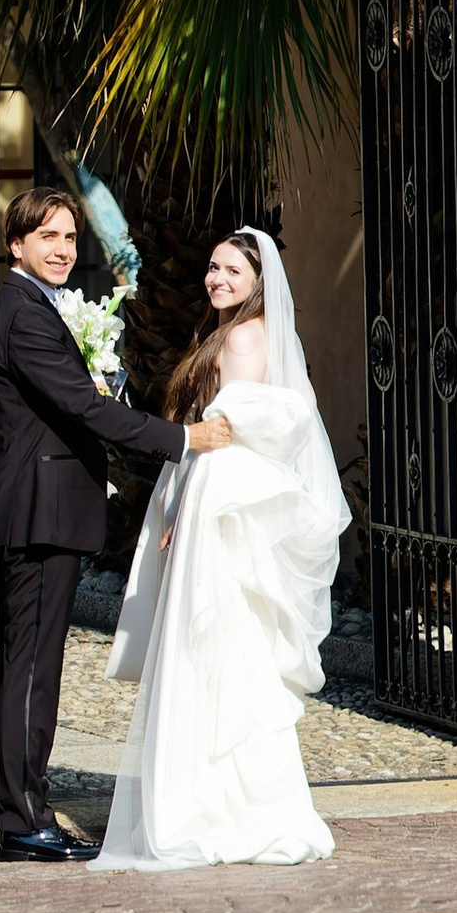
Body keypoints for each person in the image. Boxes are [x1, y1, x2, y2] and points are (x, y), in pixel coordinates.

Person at [0, 184, 230, 864]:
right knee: (31, 670)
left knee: (21, 664)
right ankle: (22, 819)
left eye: (68, 237)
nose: (62, 249)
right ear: (16, 244)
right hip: (38, 515)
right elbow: (86, 413)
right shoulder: (24, 314)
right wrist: (184, 440)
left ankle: (10, 812)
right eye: (47, 237)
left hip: (35, 510)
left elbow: (72, 401)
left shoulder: (27, 306)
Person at [94, 226, 347, 869]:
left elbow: (226, 431)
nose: (216, 280)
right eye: (213, 268)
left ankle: (204, 807)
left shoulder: (239, 336)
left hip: (218, 500)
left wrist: (183, 506)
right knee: (238, 650)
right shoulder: (257, 336)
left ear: (260, 283)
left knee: (209, 643)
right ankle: (242, 803)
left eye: (233, 272)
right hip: (230, 497)